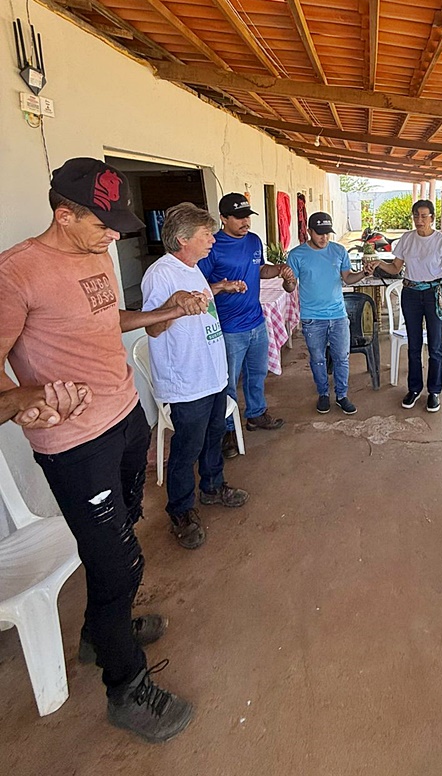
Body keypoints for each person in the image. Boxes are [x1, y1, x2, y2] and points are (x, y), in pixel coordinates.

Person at [0, 157, 198, 742]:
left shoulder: (96, 254)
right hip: (75, 444)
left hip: (125, 416)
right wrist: (24, 398)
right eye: (103, 225)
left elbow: (107, 321)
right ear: (64, 215)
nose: (114, 236)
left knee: (125, 530)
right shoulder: (16, 273)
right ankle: (126, 688)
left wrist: (167, 311)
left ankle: (99, 633)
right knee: (119, 561)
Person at [141, 202, 249, 551]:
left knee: (214, 436)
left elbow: (199, 303)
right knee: (186, 449)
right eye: (206, 235)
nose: (212, 241)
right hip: (187, 382)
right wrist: (174, 303)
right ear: (183, 239)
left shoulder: (193, 268)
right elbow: (153, 328)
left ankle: (213, 486)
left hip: (212, 375)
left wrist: (219, 288)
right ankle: (181, 510)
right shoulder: (161, 274)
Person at [198, 193, 296, 458]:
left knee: (257, 373)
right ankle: (227, 430)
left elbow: (259, 269)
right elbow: (199, 286)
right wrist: (223, 286)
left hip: (256, 320)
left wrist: (277, 269)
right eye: (239, 218)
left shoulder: (253, 241)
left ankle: (256, 414)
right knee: (228, 382)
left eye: (247, 217)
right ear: (223, 218)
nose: (246, 222)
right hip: (228, 328)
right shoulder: (212, 246)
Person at [375, 199, 442, 413]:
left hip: (435, 294)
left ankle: (434, 391)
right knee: (413, 344)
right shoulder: (407, 239)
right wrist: (378, 263)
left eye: (424, 216)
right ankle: (414, 389)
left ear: (432, 218)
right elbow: (396, 268)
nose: (419, 220)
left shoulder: (441, 241)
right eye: (416, 216)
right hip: (411, 294)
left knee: (435, 345)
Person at [287, 211, 372, 414]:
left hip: (338, 315)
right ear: (309, 231)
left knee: (342, 357)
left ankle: (342, 395)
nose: (324, 237)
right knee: (317, 358)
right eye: (319, 233)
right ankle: (323, 394)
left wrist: (364, 273)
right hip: (312, 318)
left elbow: (347, 278)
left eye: (327, 233)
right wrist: (287, 280)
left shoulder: (339, 250)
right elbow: (290, 287)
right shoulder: (297, 255)